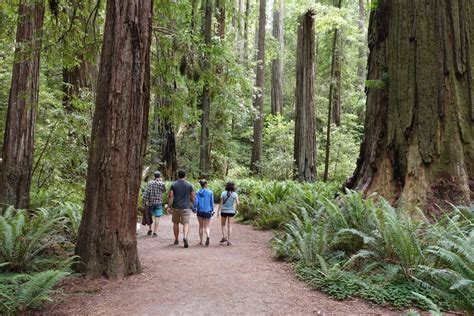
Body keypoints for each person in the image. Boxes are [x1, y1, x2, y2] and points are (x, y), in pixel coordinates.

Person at [167, 170, 195, 248]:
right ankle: (185, 237)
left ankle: (176, 239)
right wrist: (193, 204)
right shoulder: (189, 185)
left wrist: (169, 206)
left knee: (175, 223)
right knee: (186, 223)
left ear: (178, 175)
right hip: (185, 207)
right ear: (185, 175)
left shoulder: (173, 184)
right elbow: (193, 196)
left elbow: (170, 196)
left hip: (176, 207)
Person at [143, 171, 166, 237]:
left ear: (154, 176)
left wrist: (144, 202)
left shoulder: (150, 183)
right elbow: (164, 191)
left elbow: (146, 193)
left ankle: (150, 230)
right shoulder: (162, 183)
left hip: (150, 202)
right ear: (160, 176)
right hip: (158, 203)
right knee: (157, 217)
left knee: (150, 217)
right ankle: (155, 232)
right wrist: (161, 181)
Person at [217, 181, 239, 246]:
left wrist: (218, 211)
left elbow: (221, 203)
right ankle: (229, 240)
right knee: (230, 225)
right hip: (231, 211)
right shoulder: (235, 194)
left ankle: (224, 236)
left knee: (223, 225)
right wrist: (236, 210)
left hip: (223, 211)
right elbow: (238, 203)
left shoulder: (223, 193)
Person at [193, 179, 214, 246]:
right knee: (207, 226)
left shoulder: (198, 192)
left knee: (201, 226)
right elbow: (211, 202)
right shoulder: (210, 192)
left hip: (200, 211)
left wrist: (194, 208)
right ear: (206, 184)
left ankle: (201, 241)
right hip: (208, 211)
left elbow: (196, 202)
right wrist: (212, 210)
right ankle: (207, 236)